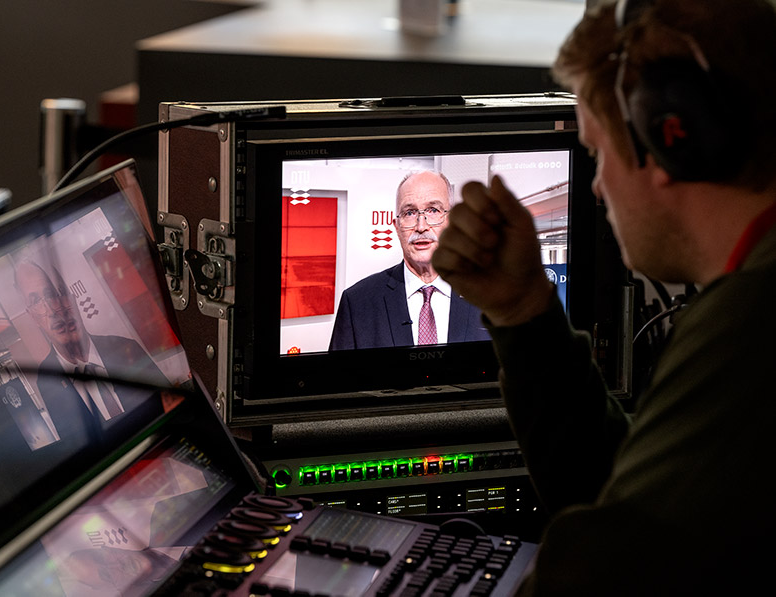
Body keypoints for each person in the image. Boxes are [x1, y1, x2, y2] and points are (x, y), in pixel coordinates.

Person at [432, 0, 776, 594]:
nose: (596, 185)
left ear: (671, 137)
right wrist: (523, 311)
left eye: (595, 151)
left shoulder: (753, 319)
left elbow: (600, 576)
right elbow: (629, 500)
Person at [329, 170, 490, 350]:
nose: (421, 226)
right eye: (410, 213)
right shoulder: (357, 303)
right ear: (397, 228)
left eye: (433, 210)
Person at [14, 260, 169, 441]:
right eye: (36, 301)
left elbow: (171, 408)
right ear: (32, 316)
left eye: (55, 294)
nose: (52, 310)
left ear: (71, 297)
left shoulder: (127, 348)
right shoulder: (47, 381)